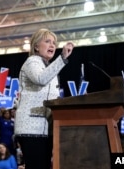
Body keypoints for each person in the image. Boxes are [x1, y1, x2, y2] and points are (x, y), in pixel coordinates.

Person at [14, 28, 74, 169]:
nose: (52, 45)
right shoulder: (32, 61)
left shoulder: (47, 66)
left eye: (54, 42)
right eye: (47, 41)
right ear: (36, 46)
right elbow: (41, 79)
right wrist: (62, 58)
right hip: (31, 128)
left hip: (45, 128)